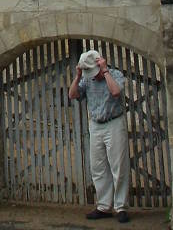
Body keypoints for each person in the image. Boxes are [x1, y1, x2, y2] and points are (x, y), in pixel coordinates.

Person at [69, 49, 130, 223]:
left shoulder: (115, 74)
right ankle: (103, 206)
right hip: (95, 124)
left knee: (119, 166)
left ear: (101, 63)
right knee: (98, 167)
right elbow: (72, 94)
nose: (93, 76)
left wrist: (105, 71)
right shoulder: (87, 80)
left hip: (114, 122)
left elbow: (116, 92)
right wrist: (78, 76)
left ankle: (121, 207)